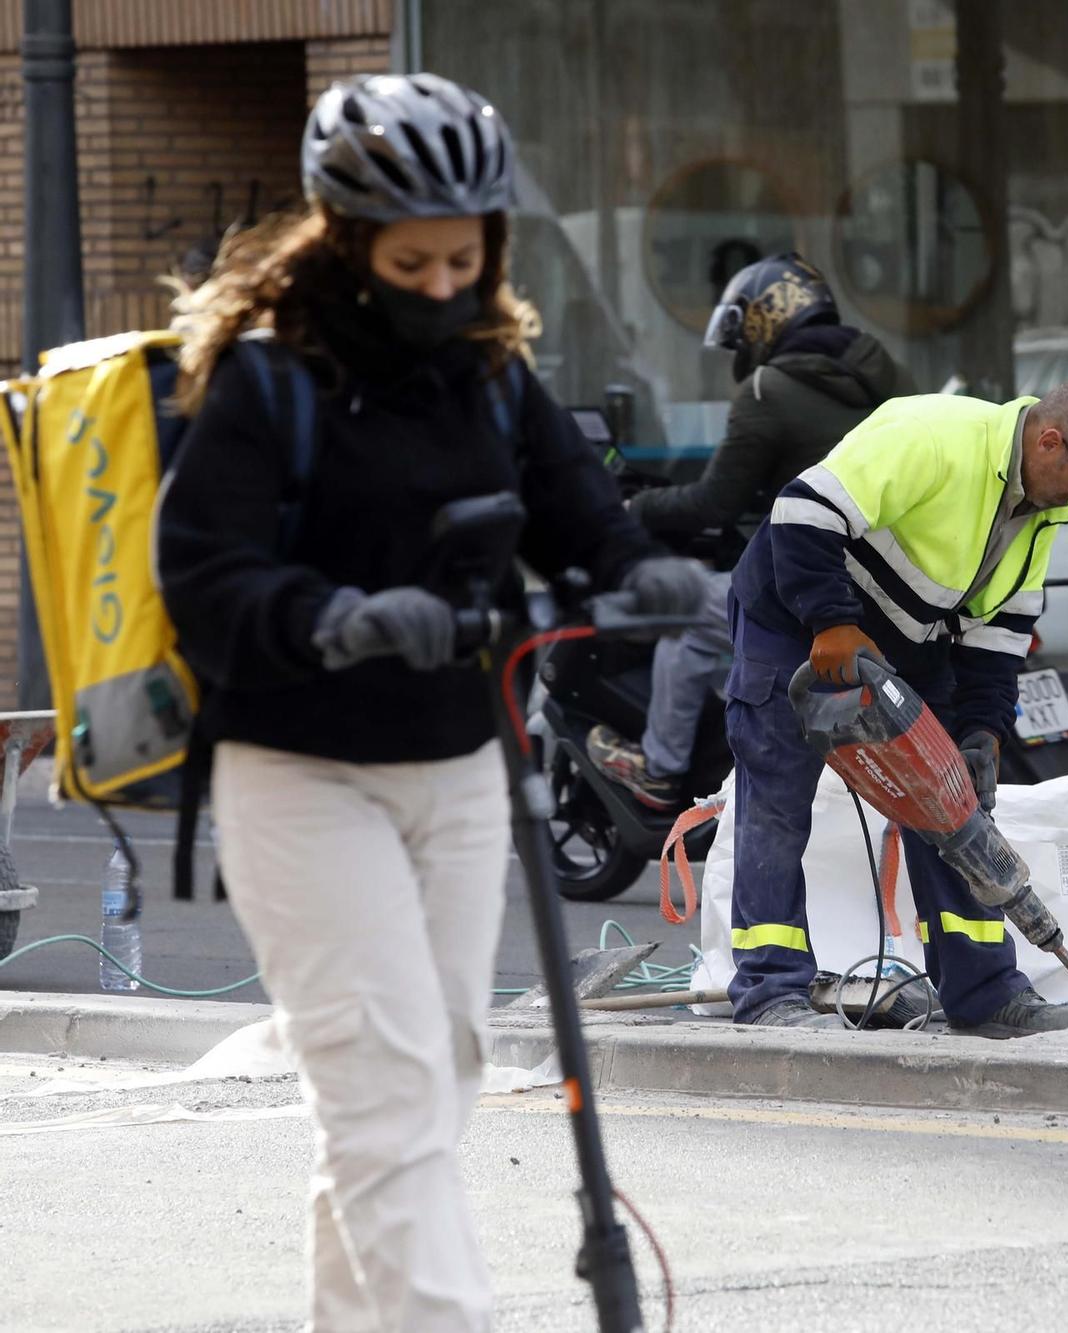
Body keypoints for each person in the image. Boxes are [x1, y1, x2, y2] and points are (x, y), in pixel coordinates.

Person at [155, 73, 702, 1330]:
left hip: (460, 766)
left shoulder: (489, 375)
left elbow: (586, 522)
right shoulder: (262, 380)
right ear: (347, 245)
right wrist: (331, 616)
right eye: (414, 261)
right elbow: (205, 575)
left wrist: (645, 573)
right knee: (386, 1090)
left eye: (467, 257)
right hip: (301, 773)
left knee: (426, 1085)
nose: (446, 284)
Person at [724, 381, 1068, 1032]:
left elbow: (1002, 633)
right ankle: (769, 989)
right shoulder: (934, 436)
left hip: (906, 642)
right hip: (792, 619)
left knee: (957, 804)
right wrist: (829, 622)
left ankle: (985, 991)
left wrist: (982, 731)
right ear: (1050, 441)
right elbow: (803, 513)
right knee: (778, 798)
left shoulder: (1044, 506)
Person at [587, 252, 913, 811]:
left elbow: (716, 499)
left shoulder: (768, 391)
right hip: (898, 579)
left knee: (687, 618)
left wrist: (635, 506)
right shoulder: (885, 373)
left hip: (811, 578)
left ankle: (660, 771)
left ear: (765, 320)